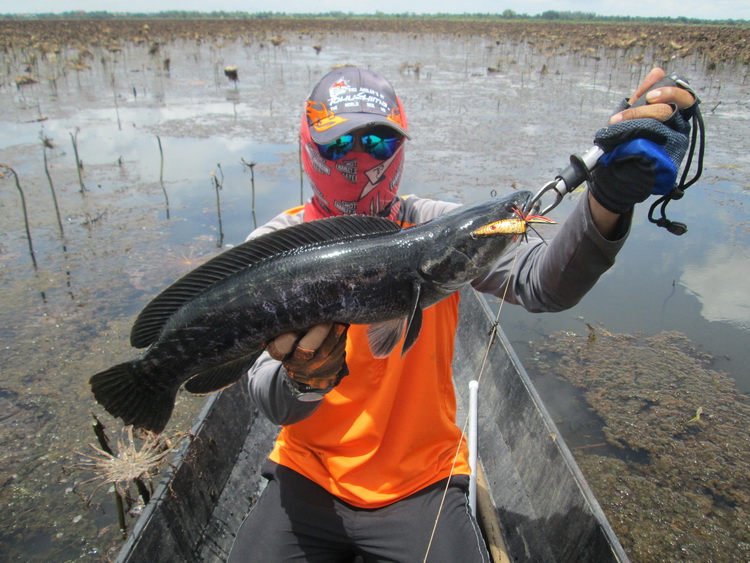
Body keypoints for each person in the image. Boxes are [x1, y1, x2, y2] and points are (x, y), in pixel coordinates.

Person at [227, 66, 696, 562]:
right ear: (309, 148)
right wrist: (302, 381)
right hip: (309, 470)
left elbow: (543, 284)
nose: (361, 159)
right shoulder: (272, 255)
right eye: (340, 146)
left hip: (421, 478)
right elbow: (271, 403)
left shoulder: (438, 227)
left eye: (379, 143)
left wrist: (606, 201)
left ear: (400, 148)